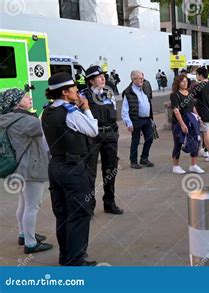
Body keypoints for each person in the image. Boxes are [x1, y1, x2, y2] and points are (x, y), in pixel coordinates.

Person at [41, 72, 99, 266]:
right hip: (73, 168)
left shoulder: (47, 111)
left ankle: (65, 257)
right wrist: (87, 109)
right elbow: (93, 130)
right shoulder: (71, 112)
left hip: (55, 166)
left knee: (63, 214)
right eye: (74, 88)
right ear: (65, 92)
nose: (77, 91)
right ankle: (75, 261)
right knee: (79, 214)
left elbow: (45, 143)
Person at [0, 89, 53, 254]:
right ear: (16, 103)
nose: (29, 98)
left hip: (16, 169)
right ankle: (30, 244)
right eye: (24, 97)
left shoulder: (7, 119)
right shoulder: (26, 120)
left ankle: (23, 234)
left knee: (23, 203)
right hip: (31, 169)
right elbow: (46, 129)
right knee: (33, 206)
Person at [81, 66, 123, 215]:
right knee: (90, 173)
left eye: (103, 76)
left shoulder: (108, 93)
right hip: (93, 137)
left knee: (110, 170)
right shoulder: (83, 95)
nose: (102, 78)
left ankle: (109, 203)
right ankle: (89, 206)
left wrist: (115, 133)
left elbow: (113, 113)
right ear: (91, 80)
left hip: (110, 135)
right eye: (98, 77)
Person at [170, 75, 205, 174]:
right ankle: (175, 166)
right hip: (178, 123)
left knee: (196, 141)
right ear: (178, 83)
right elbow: (176, 111)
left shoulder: (189, 92)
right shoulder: (175, 95)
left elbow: (192, 106)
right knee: (178, 143)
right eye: (182, 82)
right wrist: (182, 125)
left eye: (186, 81)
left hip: (192, 122)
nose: (185, 83)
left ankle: (193, 165)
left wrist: (198, 117)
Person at [122, 70, 155, 169]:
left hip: (147, 119)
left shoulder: (144, 88)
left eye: (142, 78)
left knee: (150, 138)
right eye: (140, 78)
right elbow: (124, 110)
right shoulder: (128, 92)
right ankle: (133, 161)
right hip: (136, 120)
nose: (142, 80)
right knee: (135, 141)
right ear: (134, 79)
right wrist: (129, 123)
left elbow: (148, 103)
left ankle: (144, 158)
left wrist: (151, 119)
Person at [192, 67, 209, 162]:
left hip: (203, 113)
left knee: (205, 133)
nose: (196, 76)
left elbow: (191, 97)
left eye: (197, 74)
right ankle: (206, 150)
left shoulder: (199, 87)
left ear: (200, 75)